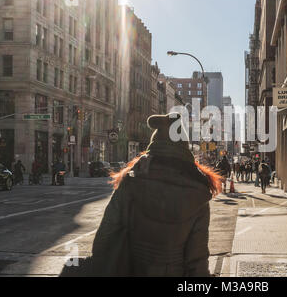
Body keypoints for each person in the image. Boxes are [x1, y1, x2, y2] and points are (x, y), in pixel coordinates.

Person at [61, 113, 223, 277]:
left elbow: (106, 235)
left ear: (154, 145)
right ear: (184, 147)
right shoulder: (198, 192)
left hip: (130, 269)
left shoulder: (131, 181)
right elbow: (198, 258)